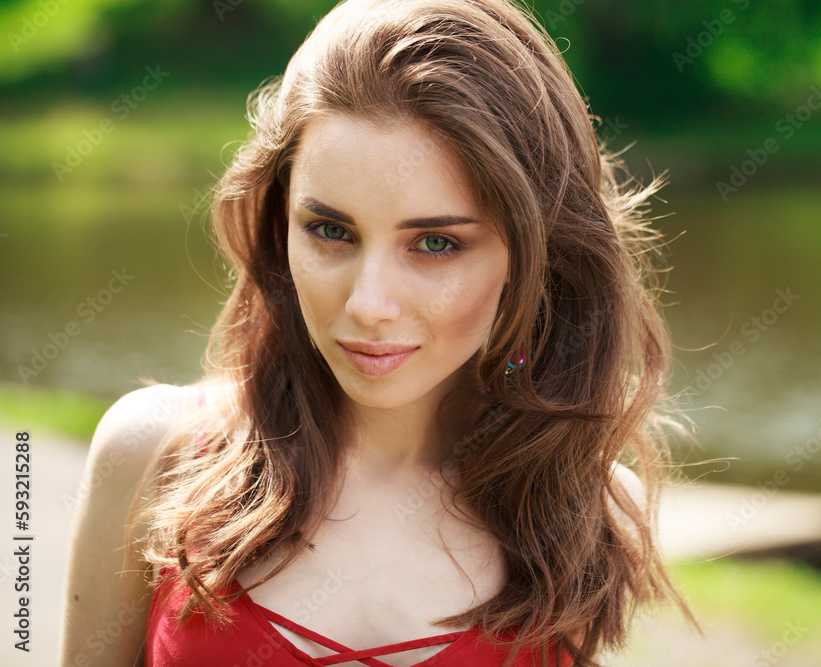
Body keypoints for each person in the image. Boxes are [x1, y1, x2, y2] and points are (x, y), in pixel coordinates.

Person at [60, 0, 701, 665]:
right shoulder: (152, 457)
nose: (368, 304)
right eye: (331, 231)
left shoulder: (584, 509)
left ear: (532, 249)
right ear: (280, 222)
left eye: (433, 243)